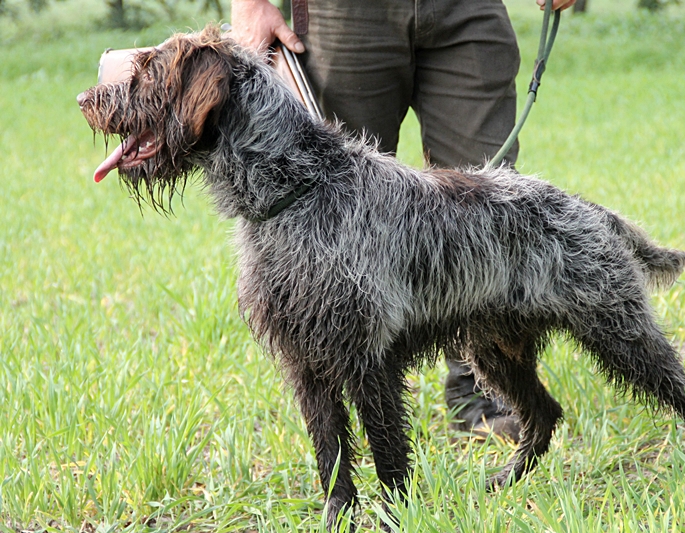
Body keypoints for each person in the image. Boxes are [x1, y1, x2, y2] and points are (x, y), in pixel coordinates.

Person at [229, 0, 576, 441]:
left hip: (468, 9)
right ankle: (350, 406)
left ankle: (480, 395)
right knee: (337, 217)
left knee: (489, 214)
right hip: (345, 17)